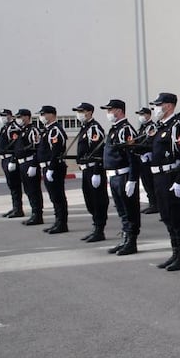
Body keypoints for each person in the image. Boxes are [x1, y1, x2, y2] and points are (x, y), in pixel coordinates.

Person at [148, 92, 180, 272]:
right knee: (167, 216)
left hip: (170, 177)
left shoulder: (178, 127)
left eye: (158, 105)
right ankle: (175, 252)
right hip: (159, 177)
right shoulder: (161, 126)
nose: (156, 109)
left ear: (168, 106)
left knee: (177, 217)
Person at [101, 99, 141, 256]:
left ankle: (131, 242)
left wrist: (132, 179)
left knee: (130, 210)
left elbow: (133, 157)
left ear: (119, 111)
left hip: (124, 175)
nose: (108, 113)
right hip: (114, 176)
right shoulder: (114, 129)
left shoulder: (126, 130)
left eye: (110, 110)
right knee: (122, 211)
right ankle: (125, 239)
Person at [71, 102, 108, 242]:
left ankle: (99, 230)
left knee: (98, 201)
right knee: (89, 200)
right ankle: (95, 227)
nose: (79, 113)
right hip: (86, 169)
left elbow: (99, 151)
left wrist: (97, 172)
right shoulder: (85, 127)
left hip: (94, 169)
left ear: (89, 112)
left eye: (81, 111)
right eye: (78, 111)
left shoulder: (94, 129)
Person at [35, 105, 70, 234]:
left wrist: (51, 168)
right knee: (53, 196)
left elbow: (56, 151)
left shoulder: (55, 130)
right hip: (47, 166)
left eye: (44, 114)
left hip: (54, 167)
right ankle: (57, 221)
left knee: (58, 196)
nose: (41, 117)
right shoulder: (47, 130)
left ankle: (62, 223)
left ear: (52, 115)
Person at [13, 108, 46, 226]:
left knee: (34, 190)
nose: (19, 119)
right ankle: (34, 213)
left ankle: (37, 215)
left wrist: (33, 165)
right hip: (22, 163)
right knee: (28, 190)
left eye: (21, 117)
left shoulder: (33, 131)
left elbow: (38, 149)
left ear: (27, 117)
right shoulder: (23, 130)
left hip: (30, 163)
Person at [0, 109, 25, 218]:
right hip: (4, 159)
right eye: (0, 115)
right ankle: (15, 207)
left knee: (15, 185)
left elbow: (16, 145)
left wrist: (13, 161)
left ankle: (18, 209)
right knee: (11, 186)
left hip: (10, 159)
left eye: (4, 115)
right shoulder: (5, 128)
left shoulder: (13, 128)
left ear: (10, 116)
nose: (1, 118)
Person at [136, 106, 160, 214]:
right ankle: (151, 203)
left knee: (150, 182)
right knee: (145, 182)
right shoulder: (142, 127)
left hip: (148, 158)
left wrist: (140, 148)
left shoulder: (152, 127)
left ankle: (155, 204)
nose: (141, 117)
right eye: (140, 115)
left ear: (148, 115)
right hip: (141, 158)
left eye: (143, 114)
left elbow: (150, 142)